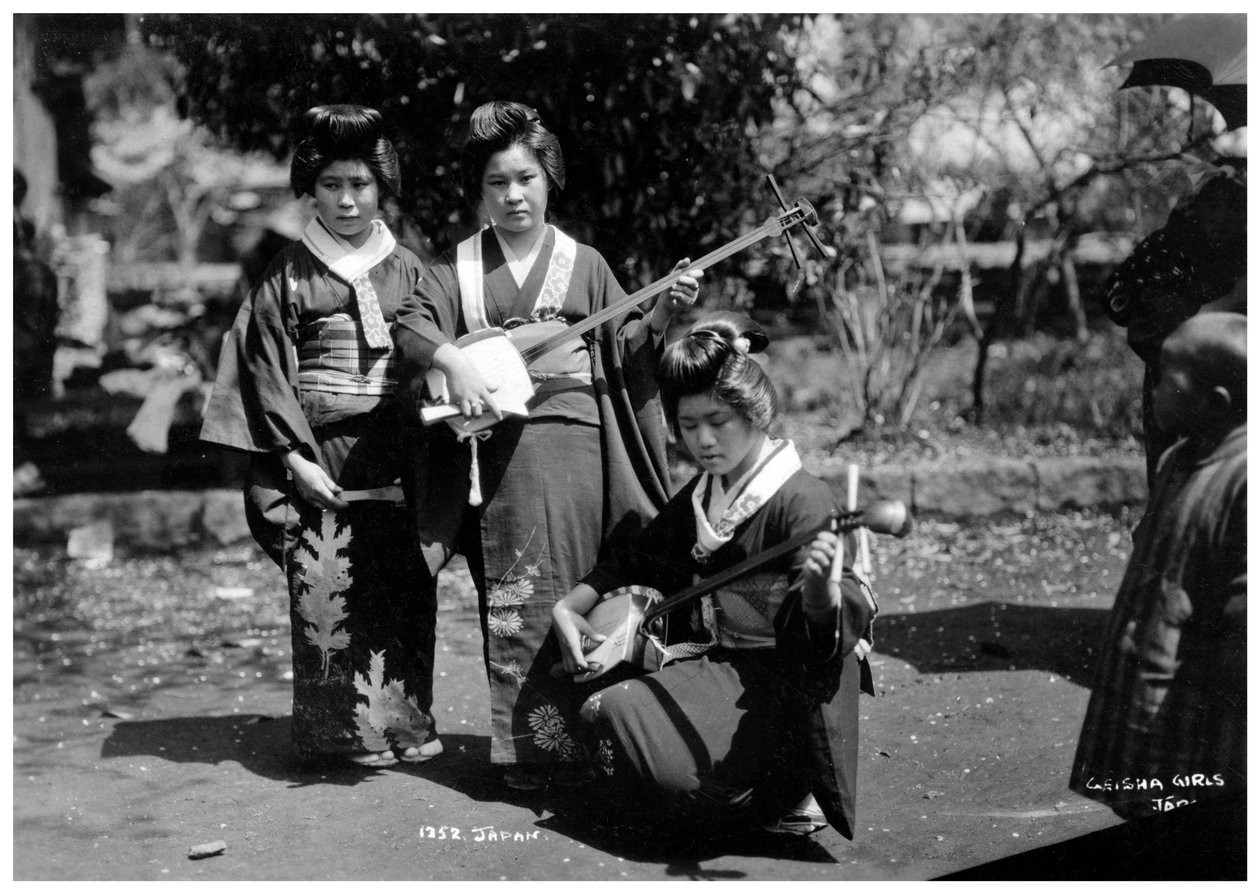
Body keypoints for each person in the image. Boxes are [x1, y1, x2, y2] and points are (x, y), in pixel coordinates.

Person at [392, 100, 701, 791]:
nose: (513, 195)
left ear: (549, 180)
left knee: (587, 586)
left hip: (581, 442)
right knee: (520, 589)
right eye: (497, 182)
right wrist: (458, 361)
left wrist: (662, 311)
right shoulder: (458, 268)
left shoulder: (582, 263)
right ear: (479, 192)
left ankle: (601, 740)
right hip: (502, 449)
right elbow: (411, 324)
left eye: (526, 178)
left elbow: (624, 347)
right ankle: (531, 752)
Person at [551, 316, 877, 839]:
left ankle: (782, 790)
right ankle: (736, 792)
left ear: (754, 412)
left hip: (786, 689)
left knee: (661, 773)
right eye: (688, 424)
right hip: (724, 665)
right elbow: (638, 559)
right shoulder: (707, 492)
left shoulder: (801, 499)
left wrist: (819, 594)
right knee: (603, 710)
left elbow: (832, 638)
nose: (702, 439)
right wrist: (569, 606)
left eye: (718, 420)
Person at [200, 105, 441, 768]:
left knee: (402, 585)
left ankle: (404, 723)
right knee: (328, 586)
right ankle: (335, 731)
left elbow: (433, 352)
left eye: (360, 185)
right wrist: (290, 458)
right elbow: (264, 368)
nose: (347, 199)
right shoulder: (288, 273)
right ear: (312, 187)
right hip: (317, 447)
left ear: (380, 187)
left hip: (397, 447)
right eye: (332, 184)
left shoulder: (412, 269)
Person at [1068, 312, 1246, 877]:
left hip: (1199, 727)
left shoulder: (1245, 481)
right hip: (1144, 706)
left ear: (1216, 402)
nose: (1152, 387)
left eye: (1167, 379)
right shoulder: (1177, 460)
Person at [1102, 167, 1246, 486]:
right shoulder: (1167, 247)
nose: (1221, 219)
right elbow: (1119, 300)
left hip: (1239, 386)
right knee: (1173, 473)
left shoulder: (1247, 251)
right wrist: (1215, 307)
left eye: (1233, 208)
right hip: (1177, 381)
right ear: (1196, 208)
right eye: (1212, 207)